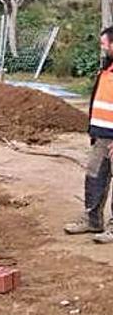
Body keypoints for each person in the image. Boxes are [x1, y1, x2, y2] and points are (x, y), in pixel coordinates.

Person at [65, 26, 113, 243]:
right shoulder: (107, 68)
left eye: (104, 44)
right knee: (94, 176)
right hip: (101, 134)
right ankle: (92, 220)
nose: (102, 48)